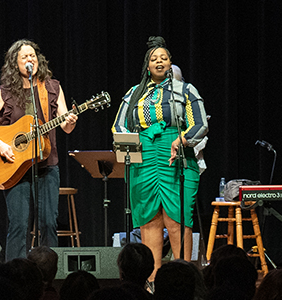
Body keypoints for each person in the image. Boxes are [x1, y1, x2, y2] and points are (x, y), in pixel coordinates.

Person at [111, 36, 208, 281]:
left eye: (164, 58)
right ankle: (152, 280)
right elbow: (118, 127)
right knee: (149, 220)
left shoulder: (185, 90)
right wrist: (132, 143)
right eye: (154, 59)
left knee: (176, 219)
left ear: (171, 64)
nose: (159, 61)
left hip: (175, 157)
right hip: (143, 158)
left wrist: (182, 140)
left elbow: (200, 124)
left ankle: (183, 278)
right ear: (147, 65)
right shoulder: (134, 93)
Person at [0, 39, 78, 260]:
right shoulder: (6, 93)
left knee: (48, 222)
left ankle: (49, 274)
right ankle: (15, 275)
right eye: (24, 57)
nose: (30, 60)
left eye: (33, 56)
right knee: (19, 225)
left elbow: (65, 126)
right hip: (16, 167)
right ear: (15, 63)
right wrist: (1, 145)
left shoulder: (52, 87)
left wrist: (70, 122)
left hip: (47, 165)